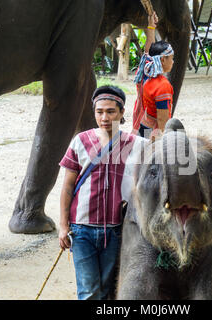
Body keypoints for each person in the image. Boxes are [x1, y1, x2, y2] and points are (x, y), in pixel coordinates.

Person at [58, 85, 146, 300]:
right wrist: (63, 226)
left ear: (122, 112)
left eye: (110, 111)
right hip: (81, 230)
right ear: (94, 112)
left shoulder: (136, 145)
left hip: (115, 231)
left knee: (108, 291)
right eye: (99, 112)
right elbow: (67, 186)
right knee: (88, 291)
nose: (104, 117)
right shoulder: (80, 141)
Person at [132, 12, 175, 140]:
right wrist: (163, 141)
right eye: (171, 58)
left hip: (142, 124)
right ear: (162, 60)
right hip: (154, 132)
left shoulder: (146, 73)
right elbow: (162, 119)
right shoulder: (162, 86)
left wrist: (151, 26)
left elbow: (148, 51)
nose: (173, 62)